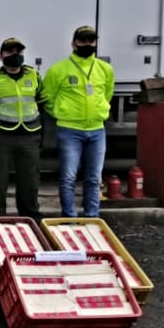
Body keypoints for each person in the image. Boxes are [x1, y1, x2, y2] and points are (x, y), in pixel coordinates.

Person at [43, 26, 115, 217]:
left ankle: (92, 216)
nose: (87, 44)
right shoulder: (58, 69)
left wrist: (100, 111)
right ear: (73, 43)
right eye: (83, 41)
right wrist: (62, 113)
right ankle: (69, 217)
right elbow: (47, 97)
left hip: (97, 130)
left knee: (94, 178)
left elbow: (107, 94)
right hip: (69, 129)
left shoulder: (105, 69)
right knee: (68, 178)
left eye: (91, 41)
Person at [0, 37, 43, 217]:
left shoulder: (34, 76)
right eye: (10, 51)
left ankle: (30, 218)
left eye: (18, 51)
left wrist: (40, 134)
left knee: (29, 180)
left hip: (29, 135)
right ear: (1, 56)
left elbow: (41, 104)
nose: (15, 54)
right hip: (0, 137)